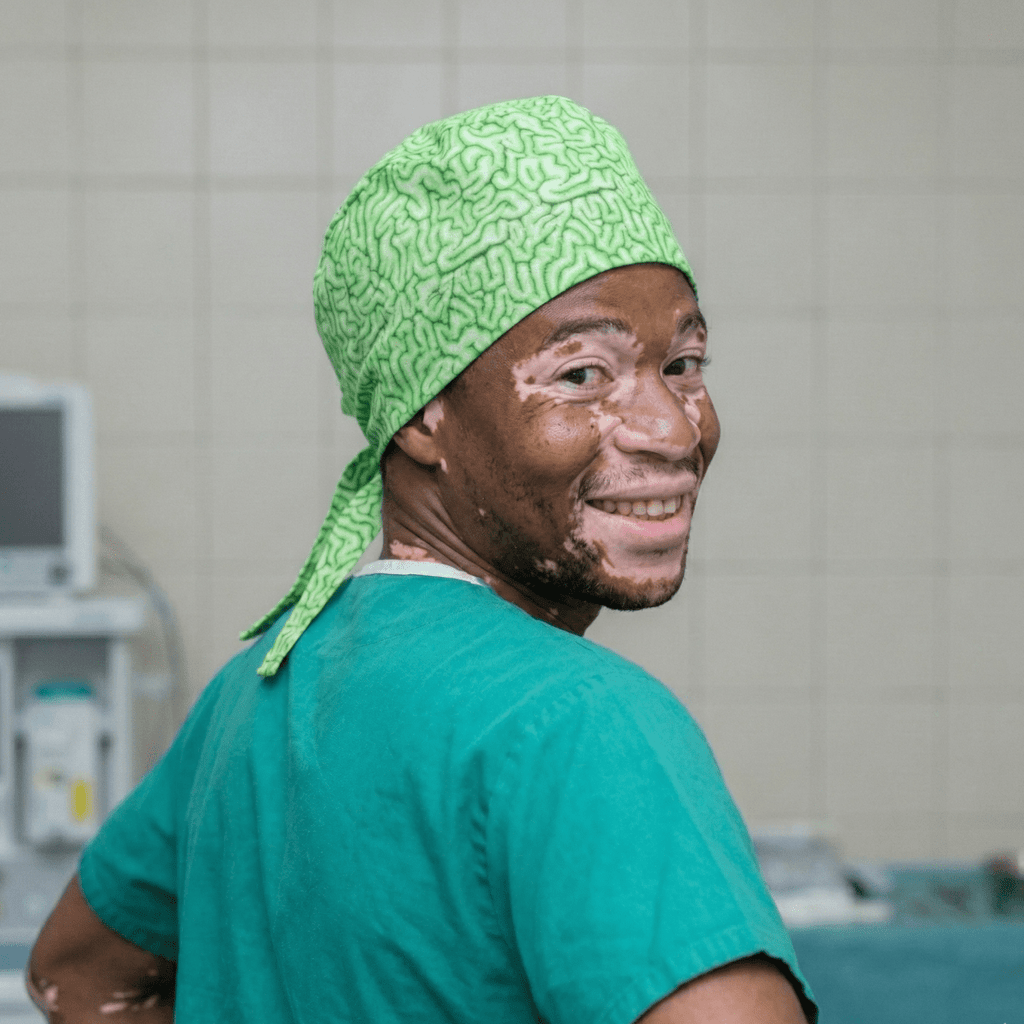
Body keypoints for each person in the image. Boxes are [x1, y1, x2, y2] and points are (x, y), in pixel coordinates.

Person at [26, 96, 817, 1023]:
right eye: (581, 376)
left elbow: (75, 978)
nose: (673, 428)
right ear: (422, 416)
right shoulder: (579, 725)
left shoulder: (251, 696)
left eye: (683, 364)